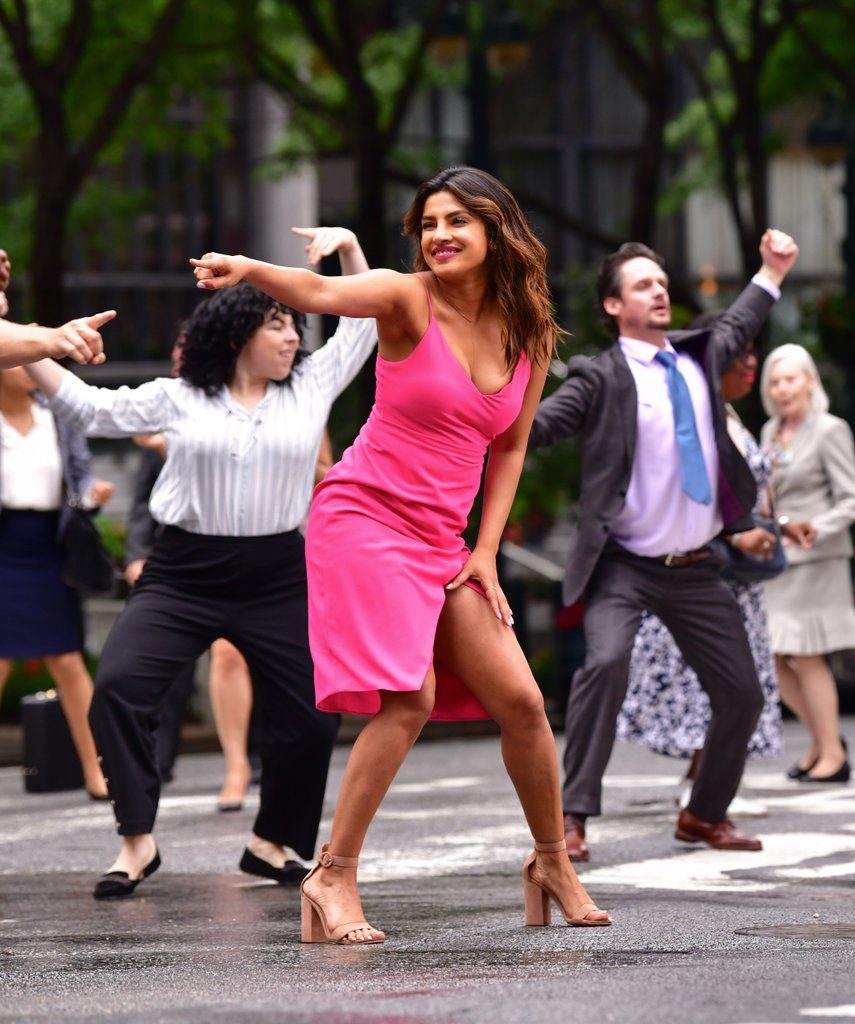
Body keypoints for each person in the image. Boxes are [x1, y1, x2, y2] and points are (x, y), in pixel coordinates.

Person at [193, 165, 611, 946]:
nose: (440, 235)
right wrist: (248, 269)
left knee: (520, 702)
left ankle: (550, 861)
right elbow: (317, 296)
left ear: (495, 228)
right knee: (407, 699)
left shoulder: (529, 329)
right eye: (427, 223)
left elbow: (512, 444)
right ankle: (332, 873)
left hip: (442, 541)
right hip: (364, 519)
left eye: (457, 220)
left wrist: (484, 551)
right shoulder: (404, 297)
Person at [25, 226, 378, 899]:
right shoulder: (179, 395)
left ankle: (273, 842)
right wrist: (30, 340)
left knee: (310, 712)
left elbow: (361, 319)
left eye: (294, 327)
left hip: (278, 573)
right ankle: (137, 841)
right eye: (277, 324)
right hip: (183, 573)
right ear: (238, 330)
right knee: (119, 687)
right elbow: (88, 409)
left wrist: (350, 248)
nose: (291, 338)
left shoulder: (311, 385)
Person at [529, 229, 799, 861]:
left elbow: (741, 316)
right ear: (613, 306)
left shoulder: (698, 356)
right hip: (626, 565)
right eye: (642, 285)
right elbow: (540, 427)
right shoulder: (600, 376)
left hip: (700, 567)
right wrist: (488, 394)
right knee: (604, 665)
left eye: (660, 283)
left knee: (742, 693)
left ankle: (703, 814)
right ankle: (571, 818)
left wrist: (771, 269)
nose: (658, 292)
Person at [617, 319, 785, 816]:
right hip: (702, 571)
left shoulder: (727, 414)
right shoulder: (688, 413)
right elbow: (687, 492)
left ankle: (710, 783)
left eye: (755, 354)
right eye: (741, 355)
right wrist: (735, 532)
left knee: (732, 682)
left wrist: (780, 526)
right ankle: (700, 784)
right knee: (705, 682)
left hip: (740, 578)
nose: (750, 363)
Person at [0, 364, 113, 799]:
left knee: (67, 659)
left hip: (50, 547)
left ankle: (95, 770)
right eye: (20, 358)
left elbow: (80, 476)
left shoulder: (58, 415)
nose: (32, 366)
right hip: (4, 547)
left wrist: (92, 494)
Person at [760, 344, 855, 784]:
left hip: (819, 556)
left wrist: (816, 525)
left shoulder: (830, 430)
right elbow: (768, 498)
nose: (782, 389)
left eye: (790, 379)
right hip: (780, 559)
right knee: (774, 658)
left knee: (807, 654)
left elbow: (850, 500)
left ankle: (831, 754)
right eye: (775, 381)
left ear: (810, 380)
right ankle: (825, 741)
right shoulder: (768, 433)